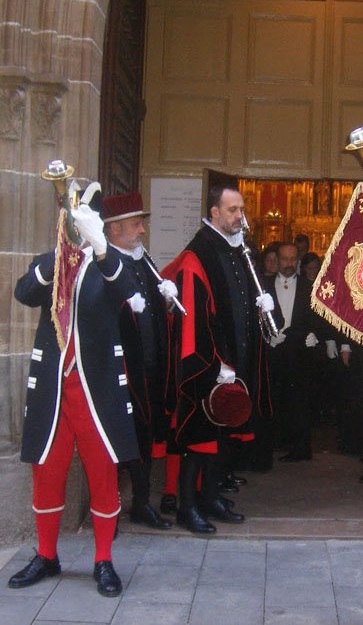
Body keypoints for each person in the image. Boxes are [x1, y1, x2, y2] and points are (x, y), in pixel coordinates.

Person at [8, 181, 143, 597]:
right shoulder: (49, 262)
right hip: (53, 391)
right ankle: (47, 555)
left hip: (95, 391)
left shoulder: (112, 263)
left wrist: (100, 247)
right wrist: (58, 257)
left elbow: (130, 295)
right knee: (46, 474)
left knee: (103, 473)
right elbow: (25, 292)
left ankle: (103, 559)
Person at [161, 183, 273, 534]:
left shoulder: (235, 249)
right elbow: (194, 314)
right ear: (214, 213)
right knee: (198, 438)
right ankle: (187, 506)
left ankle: (209, 498)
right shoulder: (200, 253)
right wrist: (217, 362)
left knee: (220, 439)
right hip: (209, 365)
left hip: (232, 363)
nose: (240, 216)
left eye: (241, 209)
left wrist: (259, 311)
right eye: (232, 210)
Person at [101, 192, 177, 531]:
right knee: (116, 442)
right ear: (114, 229)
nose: (142, 230)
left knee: (144, 437)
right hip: (119, 372)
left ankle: (141, 502)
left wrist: (168, 301)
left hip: (148, 368)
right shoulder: (103, 265)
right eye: (136, 224)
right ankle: (109, 508)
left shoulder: (140, 260)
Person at [263, 242, 317, 463]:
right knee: (273, 397)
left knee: (299, 400)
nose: (288, 264)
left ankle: (300, 448)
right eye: (284, 259)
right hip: (273, 350)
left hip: (298, 349)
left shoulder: (309, 286)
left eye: (292, 259)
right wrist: (268, 336)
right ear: (277, 259)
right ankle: (272, 443)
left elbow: (317, 317)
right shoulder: (264, 285)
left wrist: (315, 335)